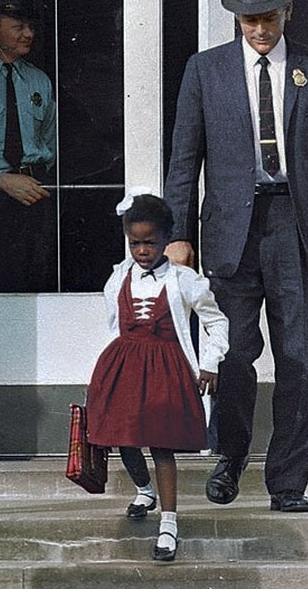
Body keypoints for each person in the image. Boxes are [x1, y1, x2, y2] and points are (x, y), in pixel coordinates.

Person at [164, 0, 308, 513]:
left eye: (268, 19)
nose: (259, 31)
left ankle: (289, 481)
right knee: (232, 353)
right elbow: (184, 159)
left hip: (298, 228)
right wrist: (177, 236)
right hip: (231, 234)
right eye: (250, 21)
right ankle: (229, 456)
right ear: (236, 19)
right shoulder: (205, 71)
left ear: (287, 13)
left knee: (301, 356)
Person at [86, 191, 229, 562]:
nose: (143, 251)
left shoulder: (184, 280)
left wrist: (210, 362)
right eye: (135, 243)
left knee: (161, 444)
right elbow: (115, 323)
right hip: (125, 365)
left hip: (166, 369)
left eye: (150, 243)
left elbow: (216, 321)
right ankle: (144, 488)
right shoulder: (119, 278)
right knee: (123, 437)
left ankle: (168, 523)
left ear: (167, 240)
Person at [0, 0, 58, 292]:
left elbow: (48, 143)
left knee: (36, 281)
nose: (28, 33)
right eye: (18, 26)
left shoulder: (38, 80)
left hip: (34, 194)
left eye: (31, 26)